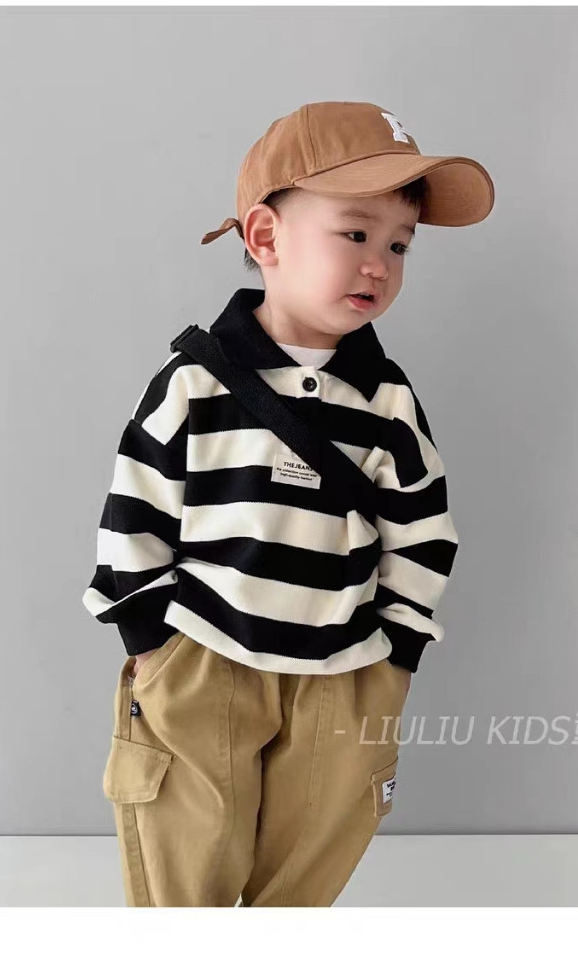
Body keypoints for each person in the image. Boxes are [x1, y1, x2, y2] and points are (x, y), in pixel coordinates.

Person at [82, 100, 494, 906]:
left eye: (399, 245)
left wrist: (395, 657)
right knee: (185, 865)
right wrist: (152, 643)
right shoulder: (195, 383)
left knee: (308, 865)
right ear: (267, 237)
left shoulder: (386, 401)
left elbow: (422, 531)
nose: (380, 265)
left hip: (345, 669)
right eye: (356, 233)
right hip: (204, 653)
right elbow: (136, 509)